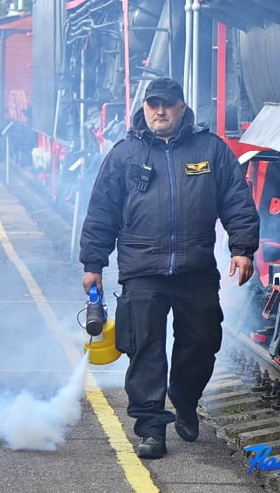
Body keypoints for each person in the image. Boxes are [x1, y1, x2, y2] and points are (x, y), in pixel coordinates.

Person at [78, 77, 259, 459]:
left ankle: (185, 397)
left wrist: (242, 249)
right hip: (142, 270)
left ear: (182, 107)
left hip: (195, 269)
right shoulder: (125, 154)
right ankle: (150, 429)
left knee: (202, 342)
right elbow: (102, 212)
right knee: (144, 348)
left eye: (168, 104)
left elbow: (236, 200)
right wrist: (93, 263)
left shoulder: (210, 149)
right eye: (153, 104)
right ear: (144, 108)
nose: (160, 111)